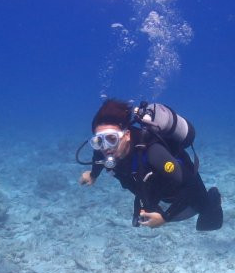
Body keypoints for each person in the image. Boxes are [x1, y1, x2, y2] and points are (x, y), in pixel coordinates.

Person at [78, 99, 223, 231]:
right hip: (152, 187)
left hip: (181, 189)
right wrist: (93, 175)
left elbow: (190, 184)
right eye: (98, 141)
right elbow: (98, 156)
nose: (105, 147)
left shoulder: (153, 153)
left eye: (112, 139)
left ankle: (214, 197)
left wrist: (165, 218)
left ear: (127, 135)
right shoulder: (104, 150)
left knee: (204, 208)